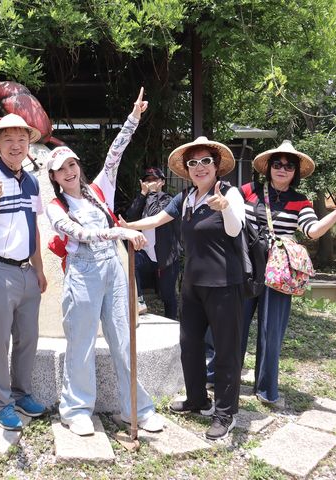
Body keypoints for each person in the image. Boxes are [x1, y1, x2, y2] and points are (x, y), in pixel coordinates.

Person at [45, 89, 165, 436]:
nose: (68, 171)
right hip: (82, 273)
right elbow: (77, 234)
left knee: (123, 338)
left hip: (113, 270)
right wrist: (119, 234)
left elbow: (115, 154)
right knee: (80, 340)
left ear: (78, 166)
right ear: (53, 177)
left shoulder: (98, 189)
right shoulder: (56, 208)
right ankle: (76, 409)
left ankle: (137, 408)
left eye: (72, 164)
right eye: (60, 169)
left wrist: (133, 119)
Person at [121, 136, 245, 440]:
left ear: (216, 166)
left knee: (226, 349)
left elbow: (235, 228)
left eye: (206, 161)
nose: (200, 167)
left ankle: (225, 413)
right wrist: (126, 226)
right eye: (193, 163)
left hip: (225, 285)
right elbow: (157, 220)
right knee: (189, 345)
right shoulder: (186, 198)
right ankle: (197, 399)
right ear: (186, 170)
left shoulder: (230, 194)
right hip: (191, 285)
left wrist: (225, 207)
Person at [240, 140, 336, 404]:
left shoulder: (300, 201)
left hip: (279, 271)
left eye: (289, 165)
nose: (282, 169)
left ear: (295, 172)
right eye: (278, 164)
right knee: (234, 325)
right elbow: (228, 213)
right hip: (247, 266)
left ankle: (266, 389)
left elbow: (313, 231)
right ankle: (221, 377)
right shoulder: (249, 191)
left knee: (272, 332)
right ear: (268, 167)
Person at [0, 113, 48, 431]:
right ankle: (2, 403)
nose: (16, 146)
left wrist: (40, 270)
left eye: (22, 140)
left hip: (27, 271)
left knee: (28, 338)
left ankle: (21, 393)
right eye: (9, 140)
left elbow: (34, 227)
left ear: (28, 143)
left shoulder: (32, 180)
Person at [123, 166, 181, 319]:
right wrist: (143, 194)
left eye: (154, 180)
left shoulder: (168, 199)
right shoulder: (144, 198)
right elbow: (130, 217)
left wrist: (153, 192)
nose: (150, 183)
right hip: (147, 254)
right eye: (147, 180)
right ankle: (139, 300)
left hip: (166, 257)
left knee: (168, 296)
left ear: (162, 182)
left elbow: (156, 217)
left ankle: (172, 323)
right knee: (130, 261)